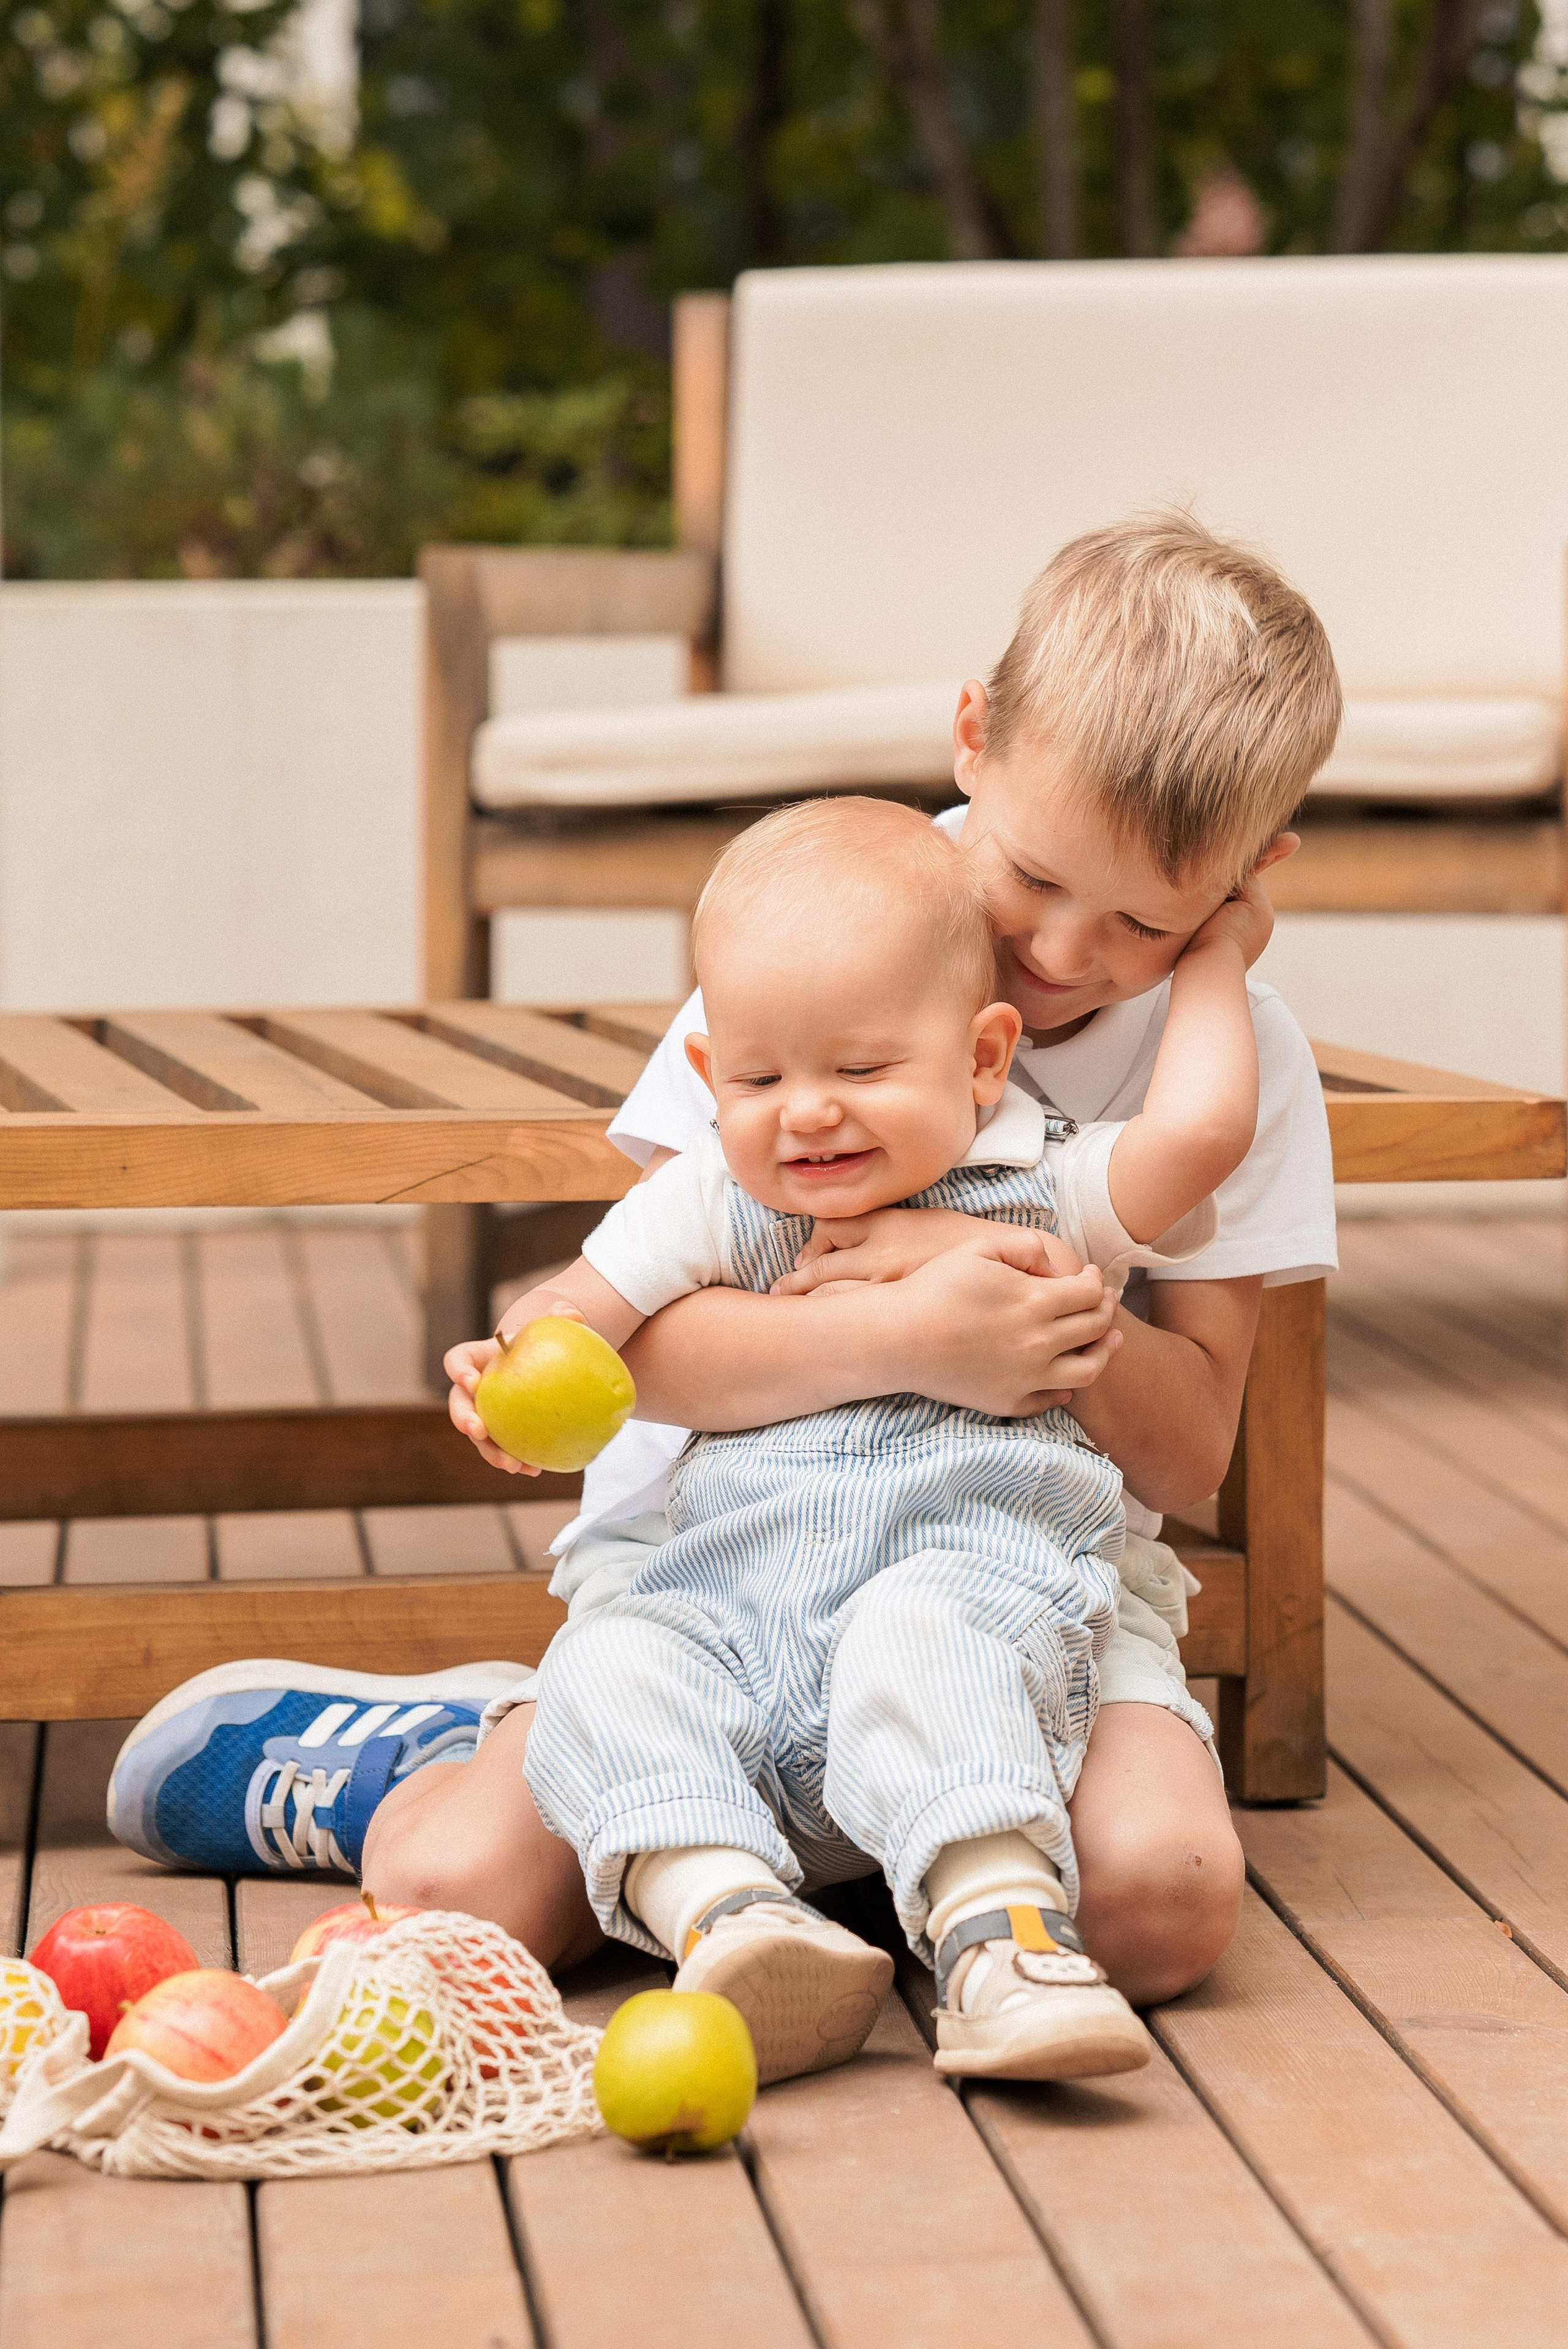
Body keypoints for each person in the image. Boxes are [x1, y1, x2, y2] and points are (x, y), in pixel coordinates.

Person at [105, 514, 1341, 2033]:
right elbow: (652, 1342)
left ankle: (861, 1858)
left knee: (1155, 1907)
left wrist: (1004, 1263)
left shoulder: (1237, 1059)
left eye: (1149, 921)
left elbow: (1197, 1441)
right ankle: (434, 1743)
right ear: (971, 739)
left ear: (1246, 877)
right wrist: (913, 1335)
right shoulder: (819, 954)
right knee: (465, 1900)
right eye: (1029, 876)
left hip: (1010, 1573)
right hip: (724, 1551)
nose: (1064, 952)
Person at [446, 788, 1267, 2086]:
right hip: (728, 1601)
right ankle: (732, 1916)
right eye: (764, 1079)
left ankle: (1001, 1938)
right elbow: (575, 1319)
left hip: (957, 1581)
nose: (810, 1113)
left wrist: (1216, 954)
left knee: (926, 1645)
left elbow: (1208, 1130)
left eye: (863, 1070)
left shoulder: (1048, 1176)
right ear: (712, 1079)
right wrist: (505, 1369)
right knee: (615, 1666)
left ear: (983, 1061)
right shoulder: (710, 1200)